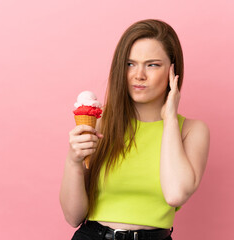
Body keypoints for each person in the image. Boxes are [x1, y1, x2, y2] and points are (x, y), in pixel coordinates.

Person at [60, 19, 210, 240]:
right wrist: (73, 161)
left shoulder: (191, 131)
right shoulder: (100, 124)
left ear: (173, 70)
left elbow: (176, 194)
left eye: (152, 65)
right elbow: (73, 216)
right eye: (130, 64)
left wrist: (169, 118)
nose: (139, 75)